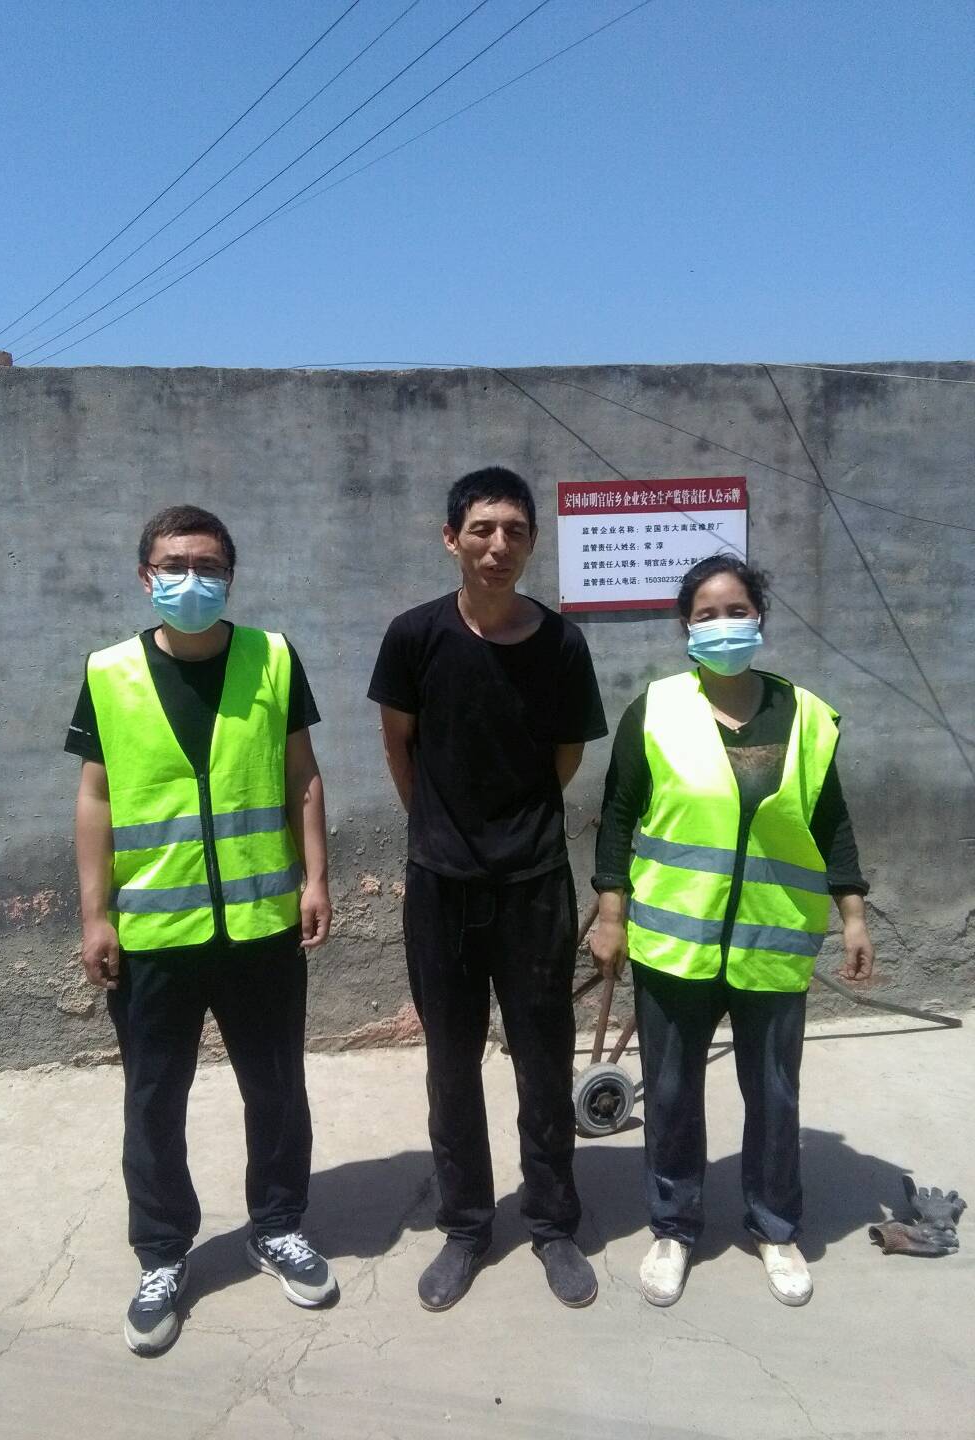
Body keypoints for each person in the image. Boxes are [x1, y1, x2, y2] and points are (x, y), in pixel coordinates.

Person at [66, 504, 337, 1356]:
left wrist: (317, 877)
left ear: (231, 574)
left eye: (209, 565)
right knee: (154, 1101)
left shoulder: (273, 658)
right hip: (154, 935)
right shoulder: (109, 672)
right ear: (145, 575)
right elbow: (96, 797)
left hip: (260, 928)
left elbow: (301, 775)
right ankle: (161, 1255)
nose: (192, 579)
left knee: (277, 1086)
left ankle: (278, 1225)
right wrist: (95, 914)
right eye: (174, 564)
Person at [589, 554, 874, 1309]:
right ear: (686, 627)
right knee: (671, 1094)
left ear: (760, 617)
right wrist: (611, 913)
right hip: (674, 942)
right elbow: (617, 815)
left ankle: (774, 1227)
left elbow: (831, 820)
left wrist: (852, 914)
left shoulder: (805, 715)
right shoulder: (654, 710)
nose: (723, 625)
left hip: (772, 941)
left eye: (736, 610)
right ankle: (673, 1228)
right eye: (706, 614)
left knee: (775, 1094)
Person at [368, 467, 608, 1311]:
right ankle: (466, 1225)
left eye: (514, 530)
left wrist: (514, 826)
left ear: (532, 543)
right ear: (452, 539)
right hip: (442, 885)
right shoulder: (414, 636)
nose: (498, 545)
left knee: (543, 1059)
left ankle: (552, 1223)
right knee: (451, 1061)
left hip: (534, 885)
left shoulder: (563, 645)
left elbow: (566, 757)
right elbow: (398, 745)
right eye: (481, 529)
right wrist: (440, 829)